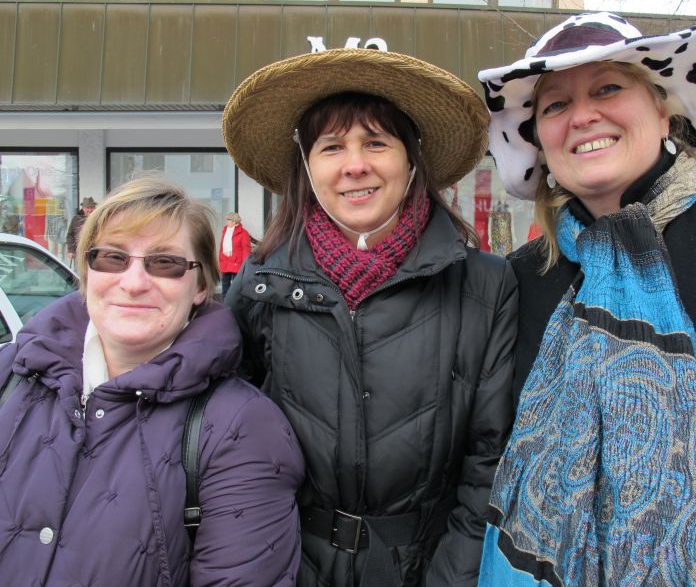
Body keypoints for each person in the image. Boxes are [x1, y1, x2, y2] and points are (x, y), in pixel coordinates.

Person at [476, 12, 696, 586]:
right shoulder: (518, 281)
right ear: (540, 141)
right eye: (555, 104)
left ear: (663, 111)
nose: (582, 116)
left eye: (607, 88)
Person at [223, 48, 518, 587]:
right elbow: (226, 442)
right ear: (307, 166)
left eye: (376, 143)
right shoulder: (262, 283)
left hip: (425, 568)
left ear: (412, 159)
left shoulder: (485, 286)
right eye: (332, 146)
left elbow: (491, 462)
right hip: (287, 564)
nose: (355, 165)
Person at [0, 177, 304, 586]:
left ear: (201, 286)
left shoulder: (239, 426)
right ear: (87, 272)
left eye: (165, 263)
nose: (134, 282)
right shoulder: (10, 375)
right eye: (112, 258)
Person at [219, 211, 252, 297]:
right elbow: (222, 246)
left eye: (229, 220)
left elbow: (246, 249)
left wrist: (245, 262)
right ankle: (225, 298)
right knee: (225, 281)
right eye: (227, 220)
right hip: (226, 260)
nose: (227, 222)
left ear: (234, 221)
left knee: (236, 283)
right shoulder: (225, 231)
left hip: (237, 262)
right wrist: (220, 258)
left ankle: (235, 298)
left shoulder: (243, 233)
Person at [66, 196, 97, 261]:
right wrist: (71, 250)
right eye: (87, 208)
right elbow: (70, 235)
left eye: (92, 207)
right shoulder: (76, 219)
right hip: (79, 253)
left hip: (95, 253)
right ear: (83, 208)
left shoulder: (99, 219)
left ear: (95, 208)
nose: (90, 210)